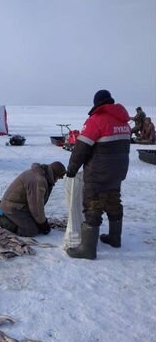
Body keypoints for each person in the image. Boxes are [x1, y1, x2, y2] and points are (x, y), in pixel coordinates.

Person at [66, 90, 131, 259]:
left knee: (93, 205)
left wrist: (72, 169)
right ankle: (115, 238)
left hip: (98, 172)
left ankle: (87, 250)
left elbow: (81, 148)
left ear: (97, 103)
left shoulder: (96, 120)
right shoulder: (124, 121)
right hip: (118, 171)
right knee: (113, 200)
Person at [0, 161, 66, 236]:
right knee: (30, 230)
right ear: (54, 174)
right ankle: (0, 220)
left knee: (37, 224)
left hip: (20, 206)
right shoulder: (38, 181)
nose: (57, 181)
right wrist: (43, 224)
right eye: (58, 178)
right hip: (12, 208)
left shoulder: (42, 175)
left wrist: (40, 222)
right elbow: (36, 208)